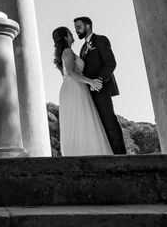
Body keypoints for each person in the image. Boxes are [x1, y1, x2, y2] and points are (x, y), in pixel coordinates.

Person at [52, 26, 113, 156]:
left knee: (81, 122)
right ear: (66, 36)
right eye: (70, 32)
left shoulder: (67, 52)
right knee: (82, 120)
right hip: (74, 87)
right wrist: (91, 81)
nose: (73, 34)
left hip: (73, 87)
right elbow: (70, 73)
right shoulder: (67, 51)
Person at [74, 16, 127, 154]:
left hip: (101, 88)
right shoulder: (83, 48)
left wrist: (99, 81)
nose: (76, 31)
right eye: (75, 29)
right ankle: (108, 155)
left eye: (78, 27)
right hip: (89, 92)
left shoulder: (100, 40)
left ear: (87, 26)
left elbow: (111, 63)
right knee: (100, 125)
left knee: (109, 121)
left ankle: (121, 156)